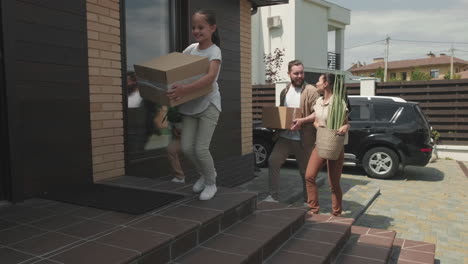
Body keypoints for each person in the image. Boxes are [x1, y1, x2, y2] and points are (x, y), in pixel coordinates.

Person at [167, 9, 222, 200]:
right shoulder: (190, 50)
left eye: (201, 27)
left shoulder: (214, 51)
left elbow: (210, 78)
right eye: (194, 27)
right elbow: (176, 68)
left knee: (200, 148)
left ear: (212, 28)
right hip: (190, 106)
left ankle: (211, 182)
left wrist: (183, 90)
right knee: (187, 147)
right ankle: (206, 174)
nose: (196, 31)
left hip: (208, 105)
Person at [264, 60, 320, 203]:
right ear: (289, 74)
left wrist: (302, 121)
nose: (300, 76)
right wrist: (275, 122)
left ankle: (309, 202)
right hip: (285, 137)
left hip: (303, 139)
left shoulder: (311, 91)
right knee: (273, 161)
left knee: (305, 172)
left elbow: (318, 113)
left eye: (301, 72)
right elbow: (283, 113)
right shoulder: (284, 91)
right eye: (296, 73)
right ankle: (273, 196)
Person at [304, 73, 350, 216]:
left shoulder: (339, 102)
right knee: (309, 176)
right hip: (321, 143)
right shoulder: (318, 101)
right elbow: (315, 119)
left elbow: (347, 122)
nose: (316, 84)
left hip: (335, 146)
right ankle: (314, 209)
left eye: (319, 81)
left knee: (334, 183)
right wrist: (317, 124)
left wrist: (345, 127)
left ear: (326, 84)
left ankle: (336, 213)